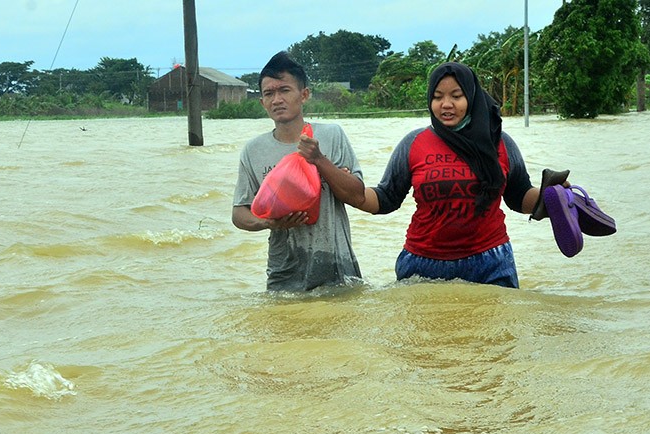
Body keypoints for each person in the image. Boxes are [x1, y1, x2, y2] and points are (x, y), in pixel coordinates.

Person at [355, 62, 554, 288]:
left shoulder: (499, 142)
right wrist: (347, 188)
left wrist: (554, 197)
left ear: (471, 97)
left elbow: (519, 197)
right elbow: (386, 198)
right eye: (438, 97)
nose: (446, 105)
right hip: (422, 264)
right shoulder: (414, 143)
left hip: (490, 262)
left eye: (456, 96)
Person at [231, 51, 365, 291]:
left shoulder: (331, 136)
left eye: (284, 90)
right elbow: (239, 213)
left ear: (304, 95)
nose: (277, 99)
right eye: (269, 93)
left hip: (337, 268)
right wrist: (269, 223)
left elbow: (357, 195)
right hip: (285, 274)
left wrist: (319, 160)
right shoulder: (254, 150)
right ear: (262, 102)